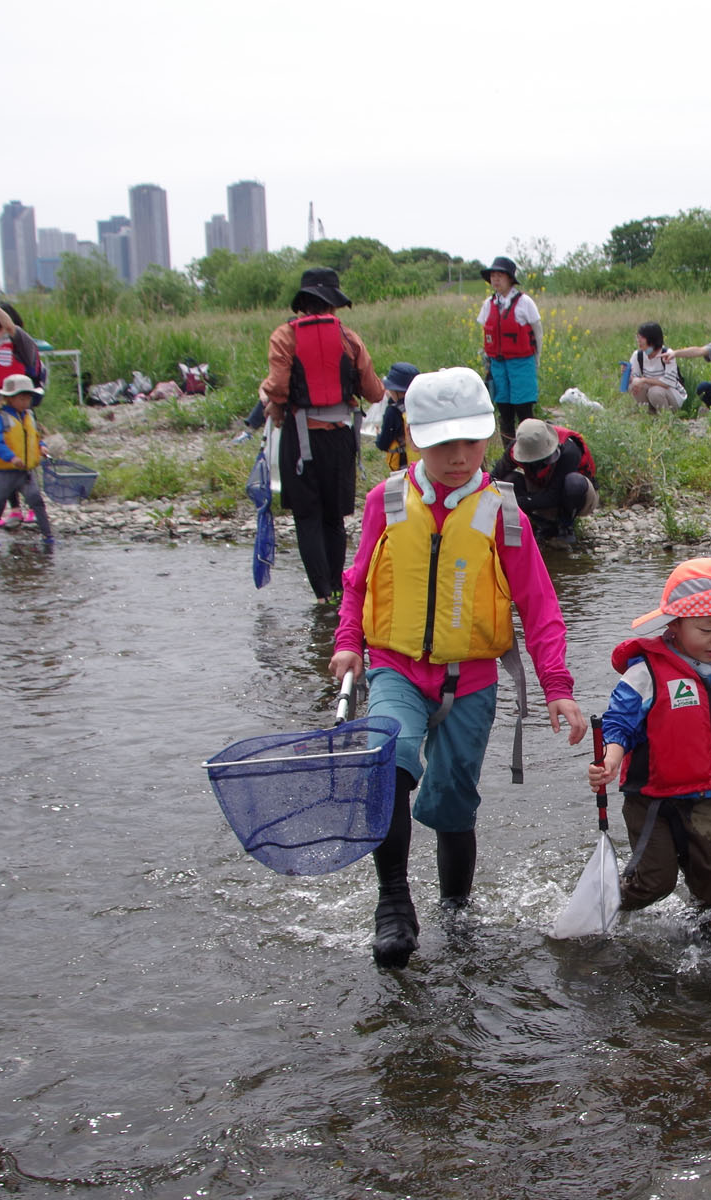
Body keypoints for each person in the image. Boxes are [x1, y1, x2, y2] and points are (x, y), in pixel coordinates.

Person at [331, 367, 585, 968]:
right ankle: (393, 901)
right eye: (442, 442)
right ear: (415, 438)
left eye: (470, 442)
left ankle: (456, 911)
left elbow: (540, 605)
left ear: (487, 441)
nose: (458, 456)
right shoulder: (386, 500)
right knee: (386, 757)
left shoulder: (503, 512)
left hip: (471, 680)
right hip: (395, 668)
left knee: (452, 800)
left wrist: (558, 687)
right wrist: (348, 642)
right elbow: (357, 580)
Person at [588, 558, 711, 911]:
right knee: (655, 881)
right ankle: (601, 907)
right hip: (652, 798)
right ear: (675, 625)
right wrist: (611, 759)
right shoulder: (646, 672)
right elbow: (619, 723)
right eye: (707, 629)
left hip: (708, 794)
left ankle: (703, 940)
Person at [259, 266, 385, 604]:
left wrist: (266, 394)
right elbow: (374, 392)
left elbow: (278, 388)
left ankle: (321, 594)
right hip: (340, 440)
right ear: (332, 305)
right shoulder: (349, 338)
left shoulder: (283, 337)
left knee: (307, 517)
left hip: (300, 442)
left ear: (303, 303)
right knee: (334, 517)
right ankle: (339, 587)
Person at [0, 288, 42, 529]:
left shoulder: (20, 341)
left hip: (18, 404)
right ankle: (14, 508)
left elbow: (10, 327)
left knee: (24, 449)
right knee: (1, 453)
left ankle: (33, 504)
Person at [492, 417, 598, 548]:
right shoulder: (518, 445)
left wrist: (515, 503)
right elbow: (494, 477)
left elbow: (554, 496)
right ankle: (541, 524)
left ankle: (566, 525)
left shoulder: (569, 450)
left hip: (577, 496)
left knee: (574, 483)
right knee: (509, 480)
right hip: (542, 489)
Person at [0, 374, 55, 551]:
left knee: (36, 501)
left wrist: (41, 446)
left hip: (26, 470)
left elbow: (34, 436)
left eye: (28, 397)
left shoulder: (29, 415)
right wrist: (11, 457)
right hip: (5, 471)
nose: (26, 401)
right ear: (9, 399)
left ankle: (47, 535)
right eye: (22, 398)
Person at [477, 255, 543, 446]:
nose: (495, 280)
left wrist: (536, 359)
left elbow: (537, 332)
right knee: (504, 411)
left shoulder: (524, 303)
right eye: (493, 276)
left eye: (500, 275)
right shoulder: (488, 304)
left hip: (521, 364)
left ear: (510, 279)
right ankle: (509, 454)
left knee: (524, 412)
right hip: (497, 365)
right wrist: (487, 363)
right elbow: (487, 335)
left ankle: (531, 453)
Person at [626, 321, 686, 413]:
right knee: (635, 386)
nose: (639, 341)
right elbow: (634, 377)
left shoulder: (667, 354)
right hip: (651, 392)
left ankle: (666, 417)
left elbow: (667, 382)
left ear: (651, 339)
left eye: (642, 338)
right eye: (638, 337)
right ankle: (649, 415)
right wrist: (628, 375)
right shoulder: (638, 355)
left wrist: (644, 380)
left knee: (655, 391)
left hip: (671, 394)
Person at [374, 361, 419, 473]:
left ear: (395, 391)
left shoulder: (392, 412)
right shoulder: (421, 406)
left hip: (402, 468)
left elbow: (383, 444)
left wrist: (378, 435)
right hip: (423, 466)